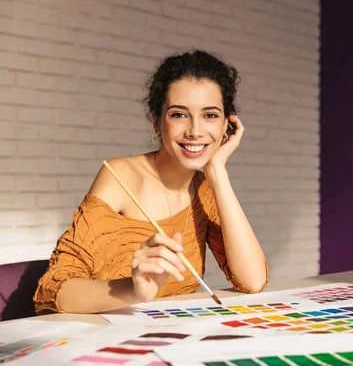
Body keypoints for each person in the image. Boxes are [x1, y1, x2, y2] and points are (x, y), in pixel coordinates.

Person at [34, 50, 268, 314]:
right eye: (179, 114)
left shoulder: (204, 188)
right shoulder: (120, 176)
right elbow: (54, 292)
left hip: (170, 337)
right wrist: (134, 290)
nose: (195, 131)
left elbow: (253, 281)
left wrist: (217, 172)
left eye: (210, 115)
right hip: (106, 339)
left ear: (227, 125)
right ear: (157, 122)